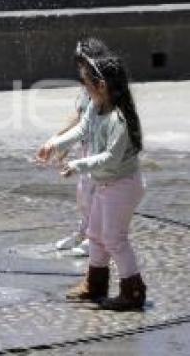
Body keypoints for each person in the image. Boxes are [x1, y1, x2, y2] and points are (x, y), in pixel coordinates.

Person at [36, 53, 147, 311]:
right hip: (107, 184)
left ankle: (133, 290)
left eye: (85, 81)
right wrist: (54, 144)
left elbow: (110, 157)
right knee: (95, 234)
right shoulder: (95, 108)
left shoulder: (119, 119)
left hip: (124, 184)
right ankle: (95, 284)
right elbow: (81, 130)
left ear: (102, 86)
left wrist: (77, 165)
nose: (82, 86)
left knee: (114, 238)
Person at [53, 38, 111, 257]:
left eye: (81, 63)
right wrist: (60, 139)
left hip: (104, 147)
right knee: (84, 192)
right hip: (89, 147)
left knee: (100, 193)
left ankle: (97, 238)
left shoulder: (105, 83)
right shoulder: (87, 86)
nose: (79, 69)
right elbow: (79, 116)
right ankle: (85, 231)